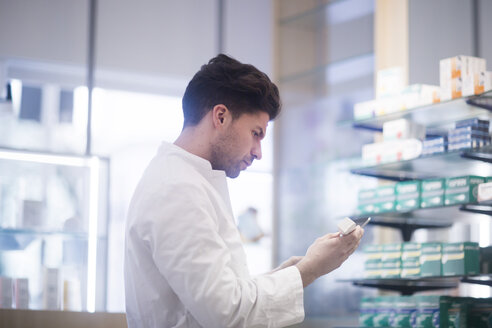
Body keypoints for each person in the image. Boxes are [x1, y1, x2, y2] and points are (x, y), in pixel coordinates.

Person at [124, 54, 364, 328]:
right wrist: (309, 270)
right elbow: (225, 313)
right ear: (221, 116)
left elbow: (219, 296)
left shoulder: (188, 180)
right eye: (256, 133)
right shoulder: (176, 189)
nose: (259, 152)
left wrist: (285, 274)